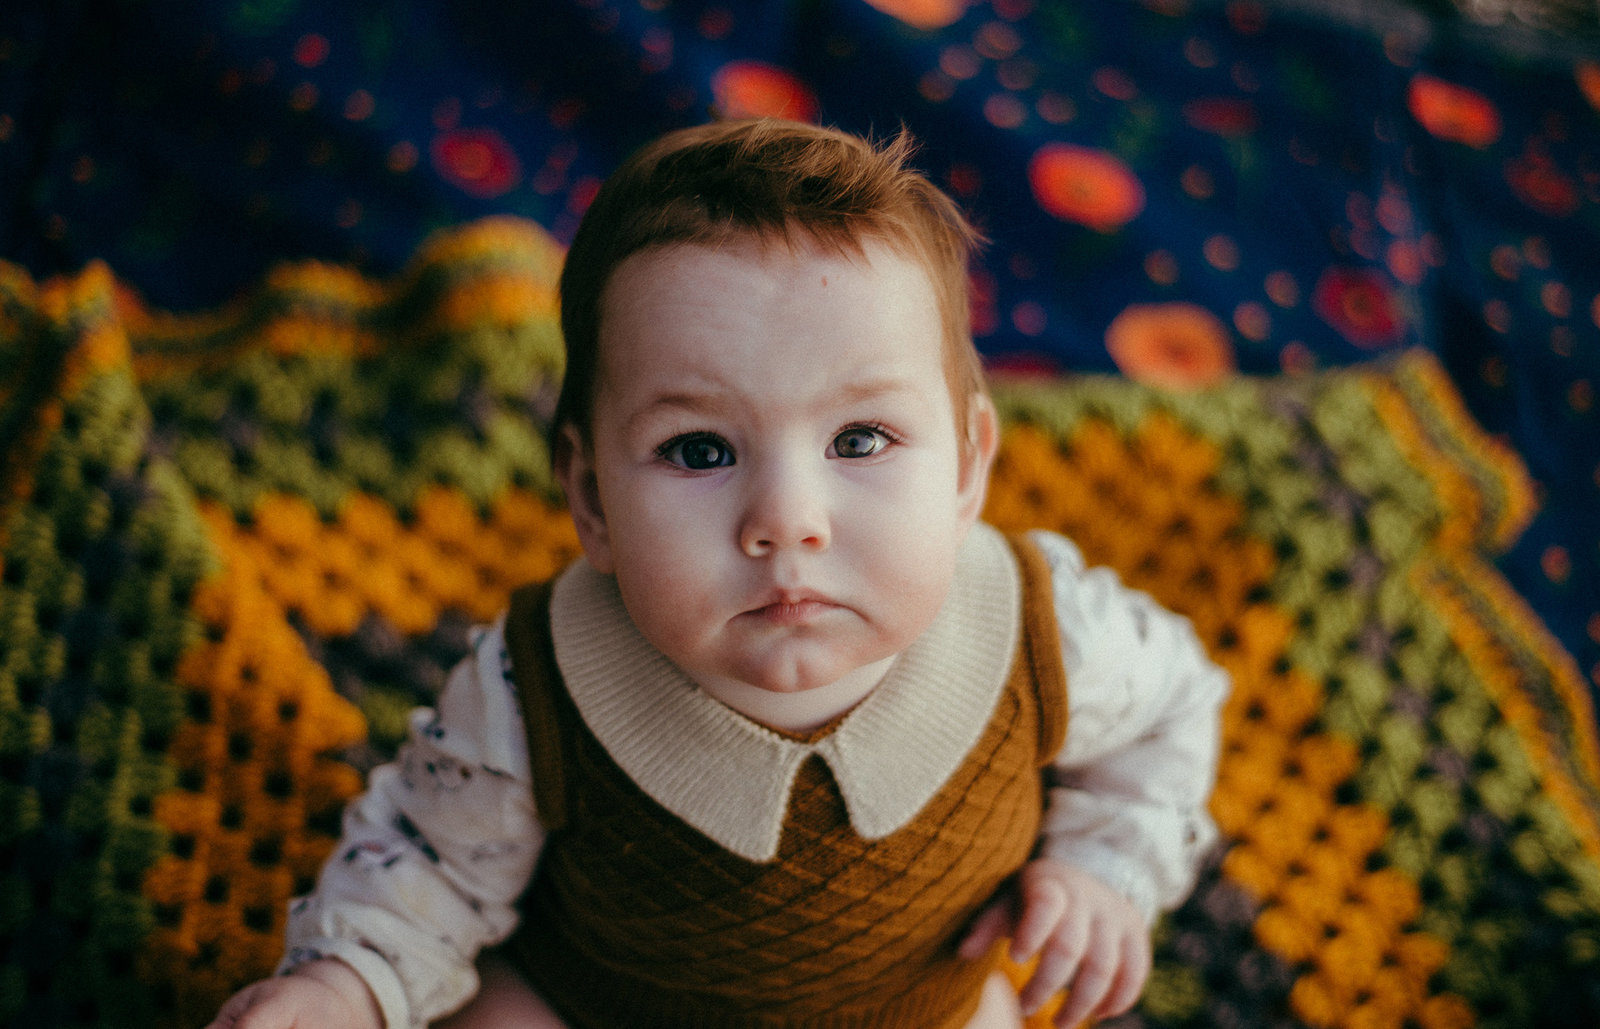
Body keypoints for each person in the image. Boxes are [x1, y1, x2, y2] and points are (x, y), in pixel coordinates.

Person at [207, 118, 1227, 1029]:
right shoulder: (539, 685)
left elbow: (1174, 706)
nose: (786, 520)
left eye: (860, 438)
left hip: (920, 1003)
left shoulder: (1044, 636)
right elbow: (428, 862)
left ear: (965, 468)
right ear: (593, 500)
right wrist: (348, 985)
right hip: (598, 1000)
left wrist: (1104, 867)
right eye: (699, 451)